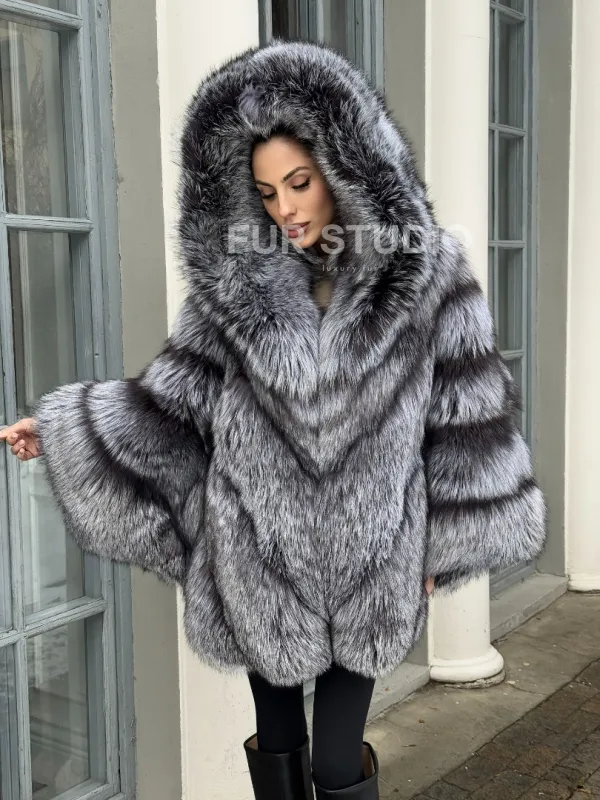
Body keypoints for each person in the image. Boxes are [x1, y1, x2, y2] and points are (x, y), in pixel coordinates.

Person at [0, 39, 547, 800]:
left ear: (346, 168)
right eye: (265, 192)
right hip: (257, 550)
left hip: (374, 556)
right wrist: (65, 430)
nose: (285, 209)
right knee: (280, 737)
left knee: (336, 762)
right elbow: (174, 401)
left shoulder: (428, 274)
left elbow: (468, 417)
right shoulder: (233, 287)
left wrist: (440, 546)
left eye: (299, 183)